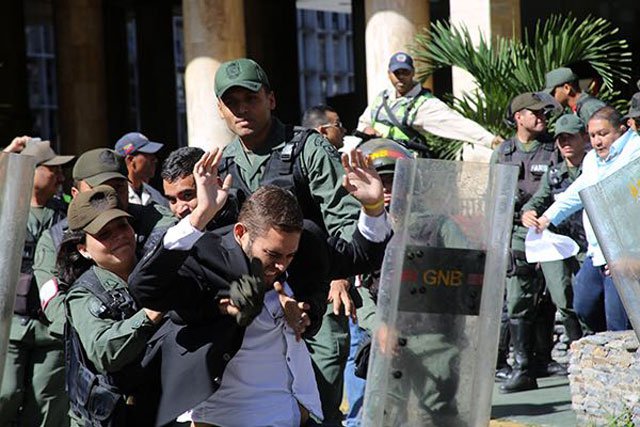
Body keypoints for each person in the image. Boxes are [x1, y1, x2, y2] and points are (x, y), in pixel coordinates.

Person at [130, 149, 391, 427]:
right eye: (272, 255)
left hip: (293, 412)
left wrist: (373, 207)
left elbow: (360, 257)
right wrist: (199, 217)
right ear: (241, 233)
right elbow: (145, 288)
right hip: (225, 417)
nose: (281, 265)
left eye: (289, 256)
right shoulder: (206, 254)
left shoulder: (306, 245)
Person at [214, 57, 363, 424]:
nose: (242, 109)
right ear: (220, 110)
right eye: (232, 103)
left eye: (250, 98)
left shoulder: (307, 149)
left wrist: (338, 275)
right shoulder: (220, 166)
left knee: (320, 399)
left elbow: (343, 220)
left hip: (313, 291)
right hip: (254, 299)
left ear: (271, 99)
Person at [32, 148, 176, 342]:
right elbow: (56, 310)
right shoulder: (56, 239)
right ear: (75, 193)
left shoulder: (157, 221)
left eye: (118, 187)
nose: (111, 196)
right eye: (100, 189)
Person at [534, 106, 640, 332]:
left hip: (626, 254)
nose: (597, 141)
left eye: (603, 134)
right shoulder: (592, 159)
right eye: (592, 136)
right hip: (598, 251)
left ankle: (621, 364)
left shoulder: (635, 151)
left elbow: (615, 189)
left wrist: (629, 254)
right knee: (584, 305)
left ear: (621, 130)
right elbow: (578, 191)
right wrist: (548, 217)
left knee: (618, 324)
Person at [0, 139, 74, 427]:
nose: (60, 176)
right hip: (10, 327)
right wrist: (7, 156)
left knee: (46, 401)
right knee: (6, 394)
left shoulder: (65, 212)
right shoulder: (6, 207)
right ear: (30, 171)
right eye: (53, 169)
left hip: (49, 327)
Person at [491, 92, 556, 393]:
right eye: (535, 113)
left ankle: (543, 359)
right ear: (519, 117)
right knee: (518, 298)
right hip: (517, 232)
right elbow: (492, 195)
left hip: (554, 229)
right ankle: (522, 367)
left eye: (544, 113)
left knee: (556, 296)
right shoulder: (503, 152)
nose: (542, 117)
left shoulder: (554, 146)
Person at [521, 114, 589, 371]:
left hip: (588, 245)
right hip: (558, 244)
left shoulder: (593, 167)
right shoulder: (554, 174)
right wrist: (528, 213)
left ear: (583, 137)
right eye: (561, 139)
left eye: (570, 137)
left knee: (587, 298)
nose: (566, 143)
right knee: (563, 298)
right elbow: (537, 201)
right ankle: (578, 353)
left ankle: (595, 344)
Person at [357, 52, 502, 154]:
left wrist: (491, 140)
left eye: (405, 72)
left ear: (413, 73)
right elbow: (363, 122)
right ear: (389, 74)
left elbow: (456, 123)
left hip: (405, 169)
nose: (401, 78)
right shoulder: (381, 99)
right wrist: (367, 129)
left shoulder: (424, 104)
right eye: (397, 73)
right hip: (377, 163)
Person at [114, 132, 169, 208]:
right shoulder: (115, 196)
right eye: (148, 155)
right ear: (130, 160)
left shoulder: (155, 195)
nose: (155, 160)